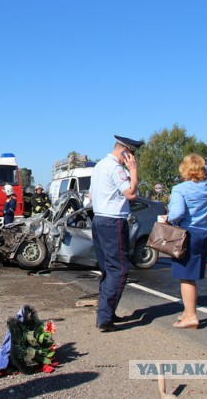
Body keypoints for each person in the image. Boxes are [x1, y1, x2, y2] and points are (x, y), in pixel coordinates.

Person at [89, 134, 143, 332]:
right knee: (119, 270)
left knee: (107, 269)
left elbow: (90, 195)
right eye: (131, 155)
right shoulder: (116, 168)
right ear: (126, 152)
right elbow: (131, 193)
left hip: (99, 219)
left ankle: (107, 313)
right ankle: (104, 317)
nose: (132, 159)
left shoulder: (100, 165)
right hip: (113, 221)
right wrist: (133, 171)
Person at [167, 154, 207, 329]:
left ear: (184, 169)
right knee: (193, 274)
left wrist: (170, 219)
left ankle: (191, 316)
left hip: (187, 234)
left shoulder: (180, 189)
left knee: (186, 276)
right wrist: (202, 165)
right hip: (204, 232)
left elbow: (176, 214)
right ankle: (188, 312)